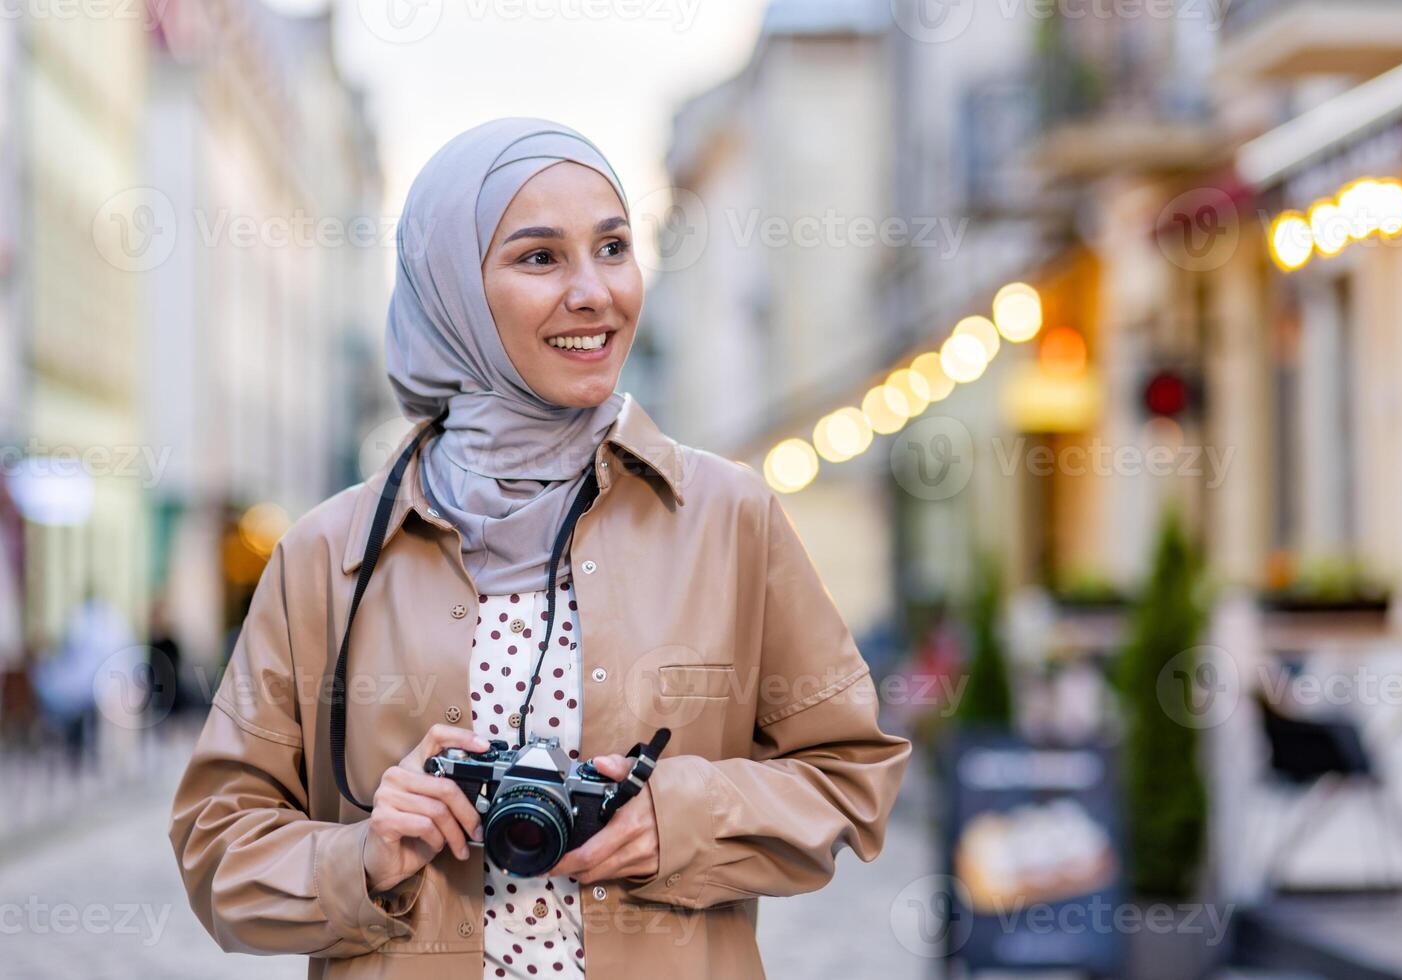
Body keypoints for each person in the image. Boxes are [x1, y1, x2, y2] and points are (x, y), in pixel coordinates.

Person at [169, 117, 911, 980]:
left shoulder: (729, 519)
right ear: (452, 291)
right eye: (539, 258)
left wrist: (682, 816)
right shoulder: (324, 557)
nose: (595, 292)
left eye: (613, 247)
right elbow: (218, 849)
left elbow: (851, 774)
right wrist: (363, 855)